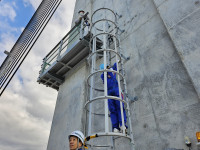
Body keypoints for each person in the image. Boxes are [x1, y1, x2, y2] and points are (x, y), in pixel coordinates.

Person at [100, 63, 127, 133]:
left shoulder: (110, 72)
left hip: (113, 91)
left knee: (119, 108)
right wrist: (110, 68)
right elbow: (111, 73)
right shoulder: (104, 75)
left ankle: (121, 125)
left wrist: (116, 63)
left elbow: (114, 67)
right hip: (112, 91)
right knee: (115, 109)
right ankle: (117, 127)